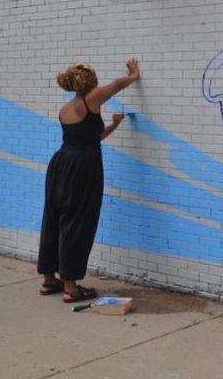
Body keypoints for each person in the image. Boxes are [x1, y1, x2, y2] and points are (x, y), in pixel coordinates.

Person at [38, 58, 140, 302]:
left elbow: (92, 137)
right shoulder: (91, 99)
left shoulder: (66, 109)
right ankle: (71, 288)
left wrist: (114, 125)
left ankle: (49, 280)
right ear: (90, 82)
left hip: (60, 164)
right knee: (77, 221)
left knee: (54, 219)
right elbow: (115, 85)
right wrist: (133, 76)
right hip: (82, 168)